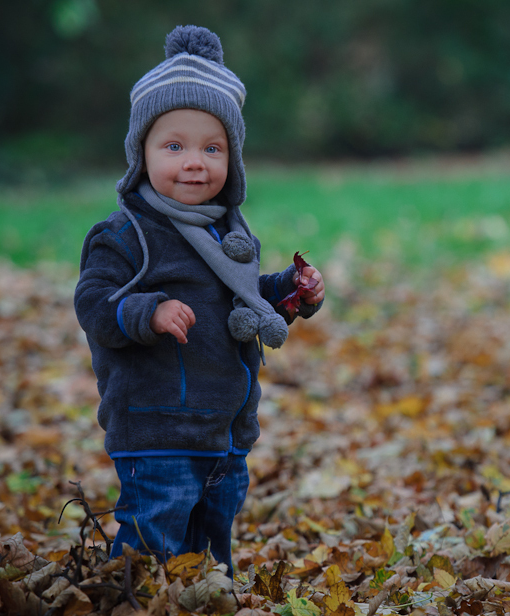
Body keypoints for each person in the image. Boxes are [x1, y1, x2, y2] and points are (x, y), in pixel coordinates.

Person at [74, 25, 324, 570]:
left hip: (225, 427)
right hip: (156, 426)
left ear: (232, 159)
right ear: (140, 153)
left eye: (213, 148)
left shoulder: (228, 236)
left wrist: (287, 291)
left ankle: (204, 597)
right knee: (154, 535)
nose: (195, 162)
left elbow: (240, 300)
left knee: (210, 547)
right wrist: (148, 310)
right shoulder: (125, 235)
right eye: (174, 146)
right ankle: (134, 600)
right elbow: (93, 303)